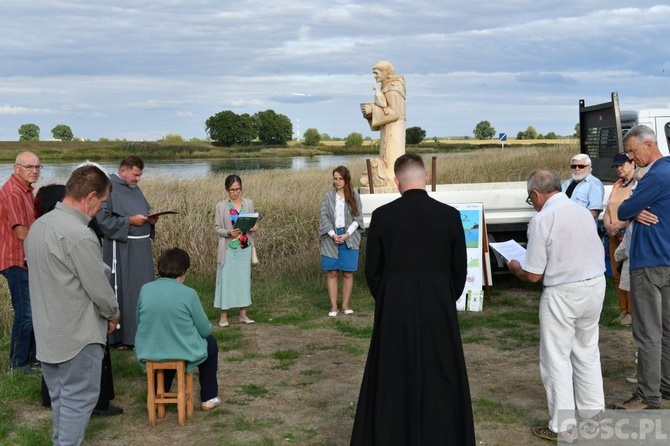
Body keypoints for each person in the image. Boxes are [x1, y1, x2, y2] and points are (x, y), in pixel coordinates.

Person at [351, 154, 475, 445]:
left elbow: (373, 271)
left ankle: (391, 432)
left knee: (393, 371)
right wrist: (444, 296)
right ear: (426, 178)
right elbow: (460, 269)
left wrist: (388, 297)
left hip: (395, 303)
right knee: (442, 371)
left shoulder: (383, 216)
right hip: (438, 303)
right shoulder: (449, 215)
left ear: (397, 182)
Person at [24, 165, 120, 445]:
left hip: (48, 335)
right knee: (78, 404)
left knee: (61, 403)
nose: (101, 209)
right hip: (77, 336)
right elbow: (100, 288)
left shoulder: (39, 226)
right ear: (90, 195)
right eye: (102, 202)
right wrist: (113, 314)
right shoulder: (79, 235)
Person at [508, 169, 605, 442]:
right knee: (587, 350)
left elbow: (533, 274)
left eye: (531, 199)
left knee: (556, 359)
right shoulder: (581, 211)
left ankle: (562, 426)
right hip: (595, 285)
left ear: (536, 194)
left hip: (563, 291)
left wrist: (515, 267)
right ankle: (593, 412)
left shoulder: (543, 219)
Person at [616, 124, 670, 410]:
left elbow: (623, 210)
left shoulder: (656, 175)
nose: (631, 157)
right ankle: (666, 387)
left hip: (649, 262)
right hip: (668, 259)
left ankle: (648, 396)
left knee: (648, 332)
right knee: (667, 330)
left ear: (649, 144)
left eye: (633, 151)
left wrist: (634, 210)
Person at [135, 248, 221, 411]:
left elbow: (139, 321)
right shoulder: (188, 293)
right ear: (183, 271)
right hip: (180, 348)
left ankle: (159, 393)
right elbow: (204, 330)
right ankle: (209, 397)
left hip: (150, 349)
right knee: (210, 343)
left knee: (165, 344)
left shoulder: (145, 289)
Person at [97, 155, 158, 349]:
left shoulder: (133, 187)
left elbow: (141, 211)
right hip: (122, 250)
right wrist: (129, 221)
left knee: (142, 291)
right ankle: (122, 337)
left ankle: (142, 332)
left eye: (140, 175)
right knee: (126, 291)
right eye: (135, 175)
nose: (138, 179)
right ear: (123, 171)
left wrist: (150, 220)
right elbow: (102, 221)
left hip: (141, 249)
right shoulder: (108, 187)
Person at [0, 151, 40, 374]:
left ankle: (32, 358)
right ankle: (18, 364)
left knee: (31, 310)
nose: (34, 171)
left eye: (37, 167)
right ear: (17, 169)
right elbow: (22, 233)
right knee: (25, 312)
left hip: (24, 258)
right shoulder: (14, 193)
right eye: (29, 167)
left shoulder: (25, 190)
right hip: (16, 259)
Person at [319, 166, 364, 317]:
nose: (337, 181)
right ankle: (333, 306)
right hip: (331, 236)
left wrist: (347, 234)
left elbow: (358, 218)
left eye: (340, 179)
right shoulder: (328, 196)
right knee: (332, 272)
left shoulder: (354, 196)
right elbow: (324, 217)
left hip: (349, 236)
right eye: (335, 178)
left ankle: (345, 305)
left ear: (346, 179)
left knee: (347, 272)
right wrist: (332, 234)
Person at [214, 174, 258, 327]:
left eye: (238, 189)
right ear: (227, 190)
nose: (235, 192)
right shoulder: (221, 206)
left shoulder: (249, 203)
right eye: (232, 190)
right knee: (226, 281)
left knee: (243, 281)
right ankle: (223, 316)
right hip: (228, 249)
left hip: (244, 248)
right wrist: (228, 232)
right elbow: (217, 228)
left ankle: (243, 314)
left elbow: (252, 222)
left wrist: (254, 227)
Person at [360, 60, 406, 187]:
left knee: (391, 159)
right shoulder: (387, 86)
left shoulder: (393, 87)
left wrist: (372, 109)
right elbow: (387, 110)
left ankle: (391, 180)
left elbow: (394, 112)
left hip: (394, 131)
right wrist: (371, 112)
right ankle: (387, 178)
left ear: (385, 72)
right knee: (387, 158)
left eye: (376, 73)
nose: (375, 76)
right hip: (388, 128)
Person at [602, 152, 636, 325]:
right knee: (616, 274)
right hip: (613, 235)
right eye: (616, 166)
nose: (619, 168)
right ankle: (623, 309)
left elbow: (635, 210)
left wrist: (617, 226)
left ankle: (632, 312)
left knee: (628, 275)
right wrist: (608, 225)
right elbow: (609, 208)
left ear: (632, 163)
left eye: (622, 164)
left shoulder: (637, 184)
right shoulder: (617, 185)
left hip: (627, 235)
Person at [560, 153, 604, 221]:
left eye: (581, 166)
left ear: (589, 168)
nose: (577, 169)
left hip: (582, 228)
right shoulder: (566, 184)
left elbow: (594, 212)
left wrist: (575, 221)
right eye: (573, 166)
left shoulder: (595, 185)